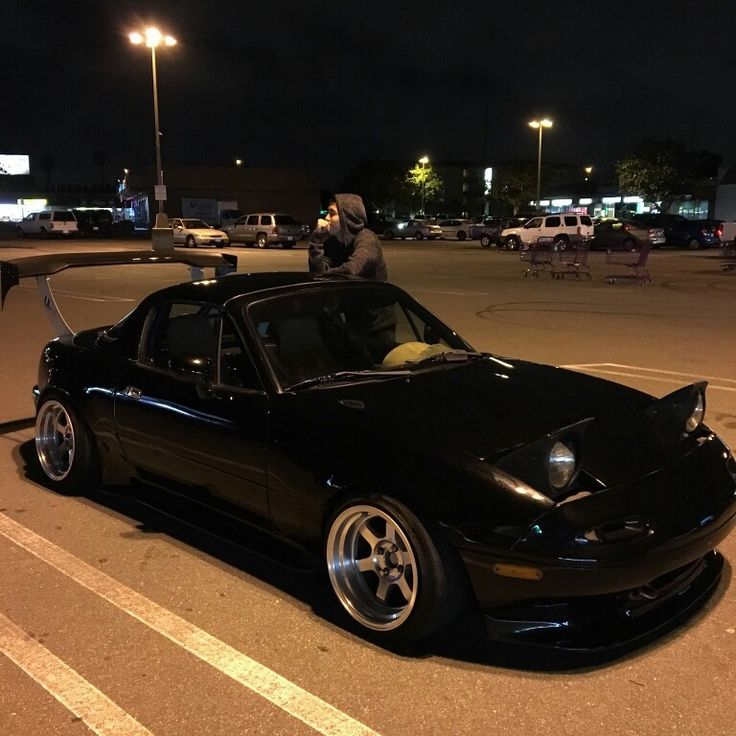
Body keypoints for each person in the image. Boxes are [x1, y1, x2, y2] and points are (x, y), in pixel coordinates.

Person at [308, 193, 388, 281]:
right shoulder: (331, 241)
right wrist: (317, 239)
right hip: (345, 292)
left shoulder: (367, 238)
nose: (326, 218)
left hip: (373, 293)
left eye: (332, 213)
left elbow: (351, 270)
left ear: (347, 217)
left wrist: (324, 274)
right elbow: (317, 272)